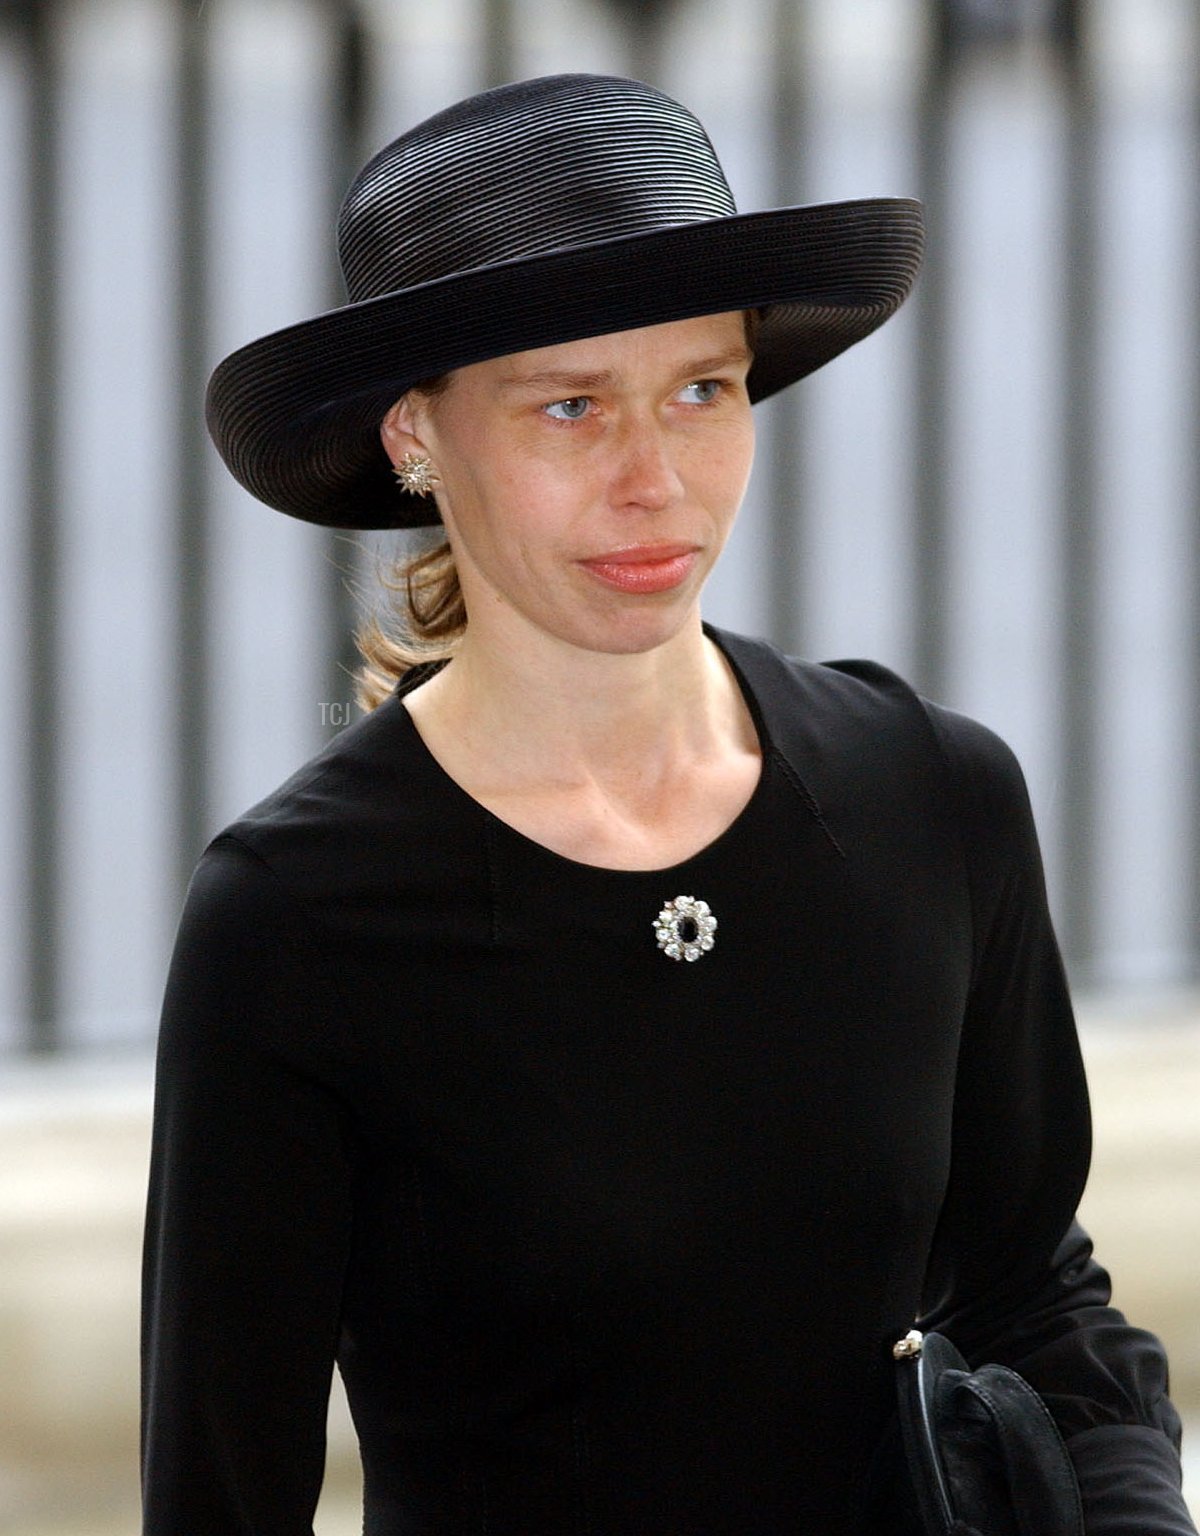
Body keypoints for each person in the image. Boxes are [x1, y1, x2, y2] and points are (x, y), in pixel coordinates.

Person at [141, 74, 1194, 1534]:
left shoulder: (931, 794)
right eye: (570, 406)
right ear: (413, 438)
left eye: (702, 390)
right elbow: (220, 1491)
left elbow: (1033, 1293)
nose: (657, 483)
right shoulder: (298, 914)